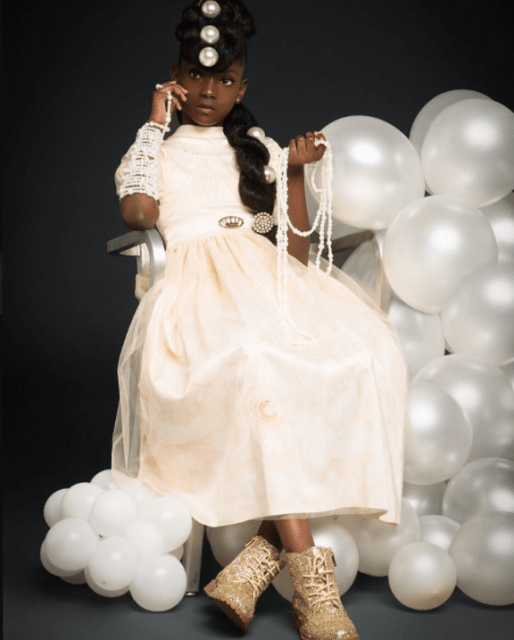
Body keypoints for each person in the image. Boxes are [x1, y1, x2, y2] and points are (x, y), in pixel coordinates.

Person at [112, 1, 408, 638]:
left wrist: (293, 173)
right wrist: (153, 124)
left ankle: (252, 566)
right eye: (195, 76)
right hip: (197, 294)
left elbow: (293, 253)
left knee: (366, 351)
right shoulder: (154, 148)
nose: (208, 91)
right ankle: (312, 586)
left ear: (242, 88)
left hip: (266, 282)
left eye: (224, 80)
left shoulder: (256, 150)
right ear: (174, 78)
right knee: (258, 362)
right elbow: (138, 214)